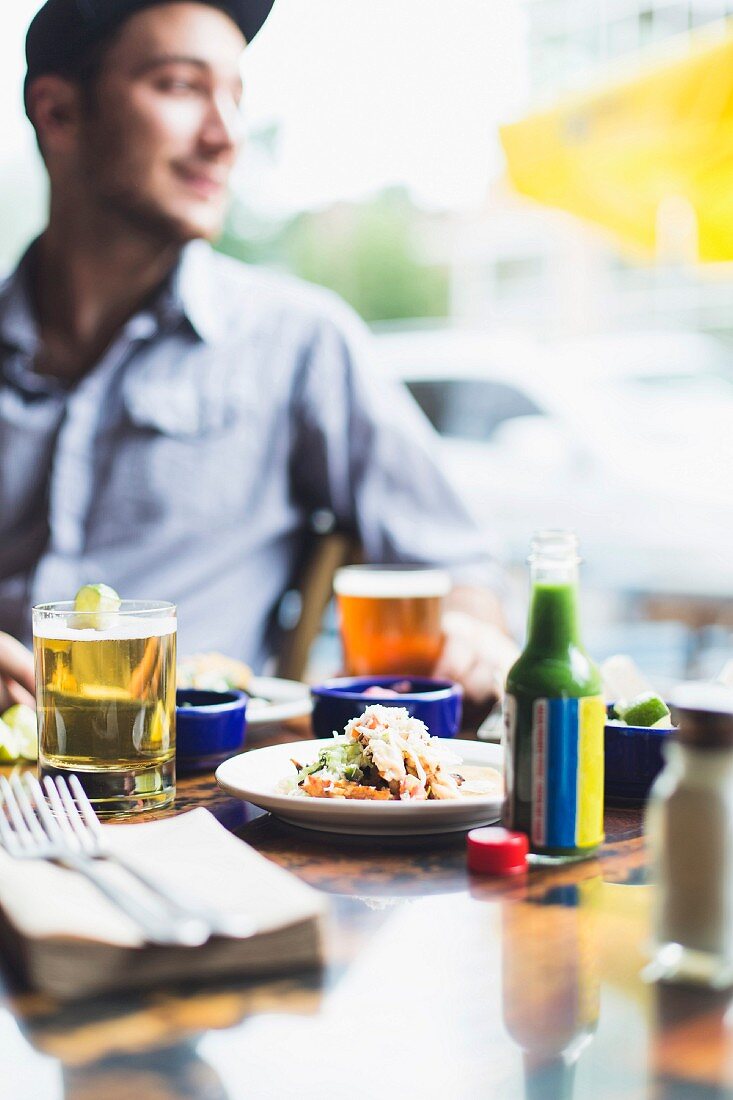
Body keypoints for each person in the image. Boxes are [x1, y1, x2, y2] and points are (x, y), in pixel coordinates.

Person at [0, 0, 517, 707]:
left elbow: (455, 563)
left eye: (235, 97)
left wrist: (469, 631)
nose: (226, 136)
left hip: (195, 792)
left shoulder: (297, 342)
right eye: (181, 86)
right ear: (58, 113)